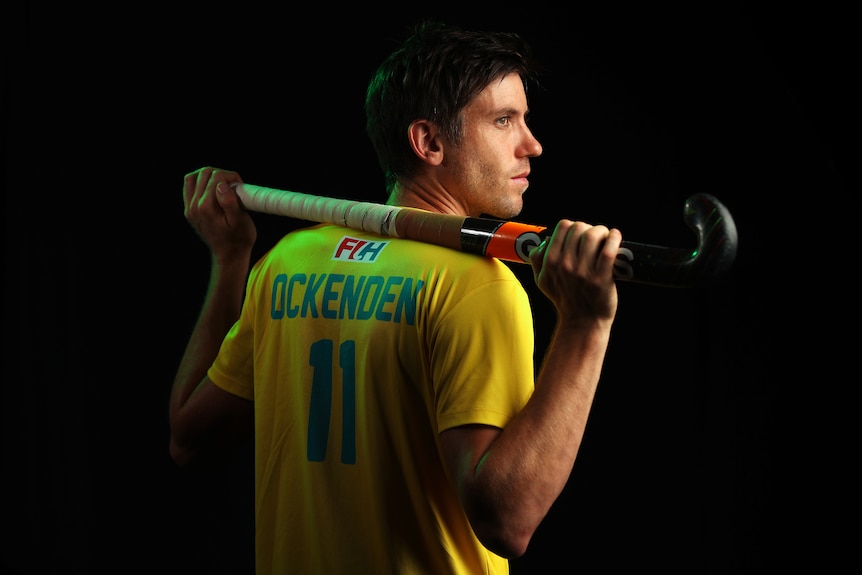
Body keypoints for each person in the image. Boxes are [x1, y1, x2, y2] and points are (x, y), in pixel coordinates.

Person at [169, 19, 622, 574]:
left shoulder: (287, 263)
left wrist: (230, 258)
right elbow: (506, 521)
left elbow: (189, 441)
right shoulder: (476, 287)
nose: (533, 143)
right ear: (428, 141)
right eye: (504, 120)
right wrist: (584, 325)